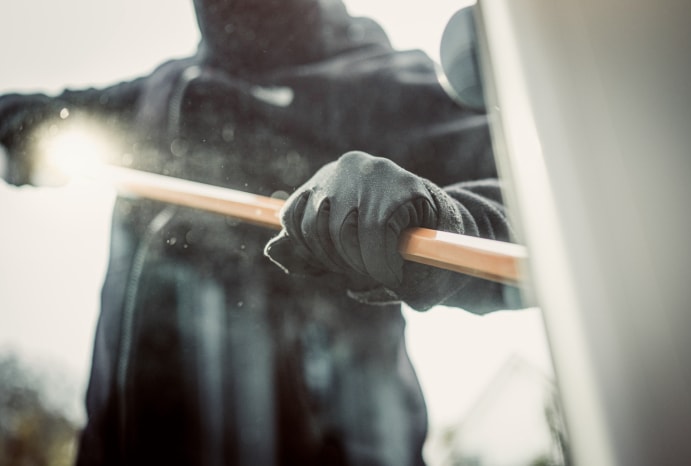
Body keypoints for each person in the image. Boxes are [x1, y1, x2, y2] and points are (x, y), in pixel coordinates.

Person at [0, 0, 520, 464]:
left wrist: (446, 216)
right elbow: (42, 112)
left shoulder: (385, 85)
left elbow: (544, 206)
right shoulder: (161, 91)